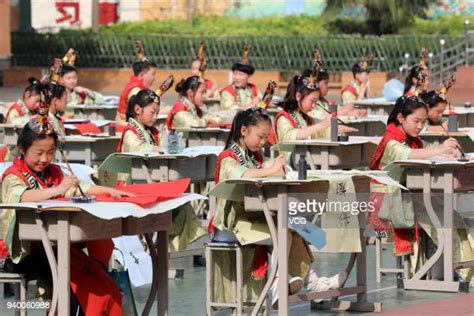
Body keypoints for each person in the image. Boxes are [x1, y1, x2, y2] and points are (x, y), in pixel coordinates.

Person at [210, 108, 346, 308]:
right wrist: (270, 170)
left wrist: (281, 167)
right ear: (244, 131)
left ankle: (313, 282)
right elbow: (241, 174)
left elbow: (267, 166)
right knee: (285, 230)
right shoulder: (228, 157)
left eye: (266, 137)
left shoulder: (253, 156)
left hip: (252, 217)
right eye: (261, 136)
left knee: (296, 224)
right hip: (232, 223)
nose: (263, 142)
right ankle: (278, 284)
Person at [1, 114, 133, 314]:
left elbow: (80, 187)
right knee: (71, 286)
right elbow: (22, 197)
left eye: (51, 152)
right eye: (38, 153)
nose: (45, 159)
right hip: (24, 254)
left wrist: (109, 191)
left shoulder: (53, 172)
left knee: (96, 279)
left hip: (55, 246)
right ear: (22, 149)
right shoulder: (13, 176)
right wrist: (57, 190)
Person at [369, 95, 473, 281]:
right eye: (416, 121)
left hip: (407, 198)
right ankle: (459, 273)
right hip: (389, 202)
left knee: (452, 218)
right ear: (401, 118)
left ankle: (456, 271)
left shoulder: (412, 139)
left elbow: (425, 150)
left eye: (423, 122)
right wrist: (441, 150)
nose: (420, 126)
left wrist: (449, 152)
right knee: (443, 220)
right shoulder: (391, 141)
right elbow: (408, 154)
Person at [116, 41, 157, 123]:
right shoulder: (135, 91)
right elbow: (144, 113)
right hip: (127, 129)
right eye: (153, 74)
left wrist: (141, 54)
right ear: (142, 75)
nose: (154, 78)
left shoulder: (136, 86)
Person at [59, 48, 104, 117]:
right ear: (61, 79)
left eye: (74, 78)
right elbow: (56, 71)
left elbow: (101, 100)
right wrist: (67, 57)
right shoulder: (57, 93)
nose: (72, 81)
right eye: (69, 78)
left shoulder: (80, 93)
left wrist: (87, 91)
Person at [220, 44, 260, 111]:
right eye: (235, 74)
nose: (236, 77)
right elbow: (228, 109)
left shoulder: (253, 88)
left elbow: (260, 100)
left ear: (248, 76)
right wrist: (251, 105)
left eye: (240, 75)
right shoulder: (228, 91)